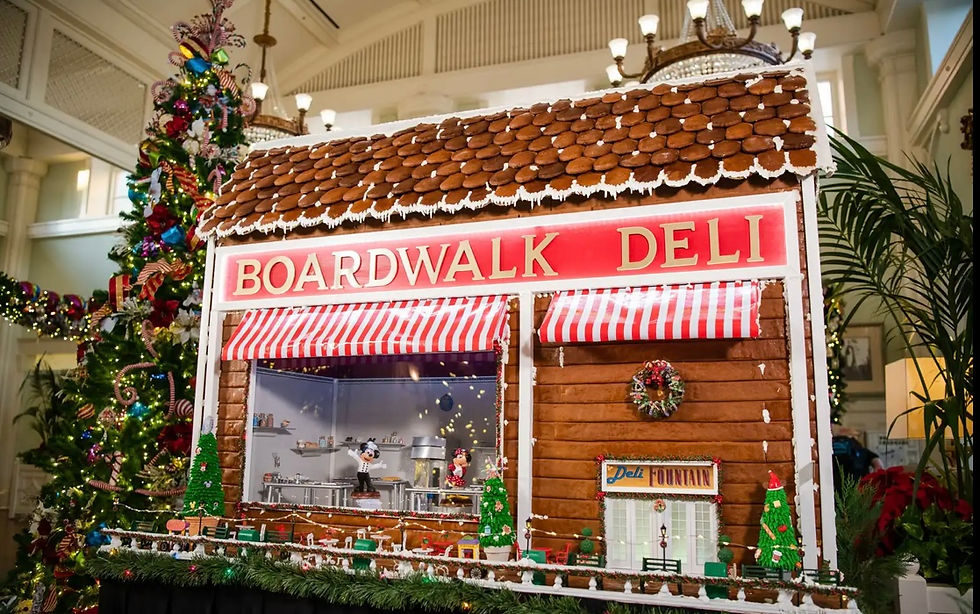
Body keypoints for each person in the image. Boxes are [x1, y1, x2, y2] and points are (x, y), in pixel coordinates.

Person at [831, 425, 884, 493]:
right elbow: (878, 464)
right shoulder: (857, 447)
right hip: (857, 488)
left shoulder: (833, 445)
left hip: (836, 488)